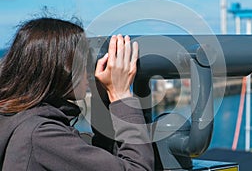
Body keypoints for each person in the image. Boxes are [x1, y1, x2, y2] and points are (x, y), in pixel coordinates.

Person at [0, 17, 154, 170]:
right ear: (60, 68)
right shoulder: (42, 135)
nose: (89, 71)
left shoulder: (16, 119)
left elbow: (103, 161)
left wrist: (102, 96)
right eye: (82, 61)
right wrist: (121, 95)